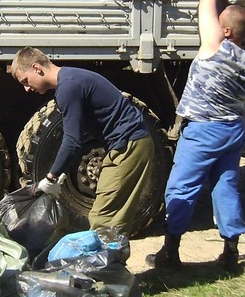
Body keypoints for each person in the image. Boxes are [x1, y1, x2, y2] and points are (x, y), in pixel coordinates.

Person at [146, 0, 245, 274]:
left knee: (181, 188)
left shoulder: (215, 47)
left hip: (204, 131)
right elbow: (240, 25)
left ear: (225, 30)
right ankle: (230, 252)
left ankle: (171, 251)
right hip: (232, 130)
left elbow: (205, 0)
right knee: (226, 186)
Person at [11, 47, 155, 234]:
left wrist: (51, 177)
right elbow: (78, 133)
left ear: (37, 68)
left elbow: (72, 140)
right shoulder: (71, 78)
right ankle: (111, 259)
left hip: (129, 145)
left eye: (26, 81)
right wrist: (62, 171)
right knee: (109, 214)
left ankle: (108, 261)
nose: (27, 88)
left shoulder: (67, 88)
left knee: (104, 218)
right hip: (126, 144)